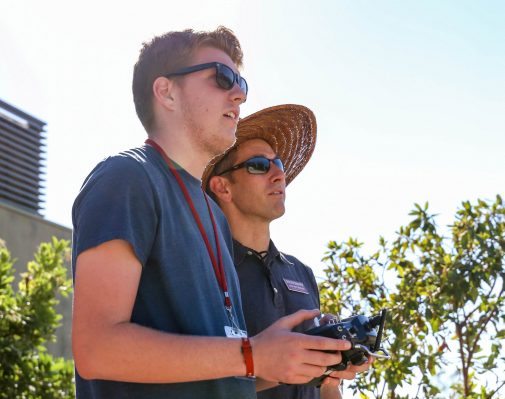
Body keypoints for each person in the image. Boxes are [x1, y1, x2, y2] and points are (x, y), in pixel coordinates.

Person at [71, 28, 352, 399]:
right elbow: (96, 349)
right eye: (222, 78)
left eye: (241, 83)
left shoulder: (214, 217)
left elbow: (224, 374)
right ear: (166, 92)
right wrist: (252, 354)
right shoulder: (127, 178)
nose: (239, 94)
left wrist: (295, 360)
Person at [204, 105, 371, 398]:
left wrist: (331, 373)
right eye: (259, 165)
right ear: (223, 187)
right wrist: (279, 366)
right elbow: (195, 385)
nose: (278, 175)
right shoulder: (203, 269)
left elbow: (326, 391)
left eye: (278, 163)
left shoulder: (300, 273)